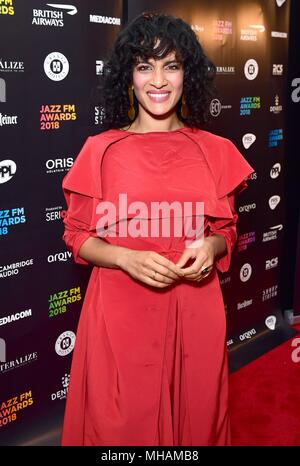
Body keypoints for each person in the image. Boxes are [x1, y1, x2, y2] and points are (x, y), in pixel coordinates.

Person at [60, 12, 254, 446]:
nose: (158, 79)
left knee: (197, 420)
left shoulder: (215, 152)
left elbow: (228, 230)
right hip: (120, 313)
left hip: (195, 310)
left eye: (171, 65)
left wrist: (213, 246)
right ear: (128, 76)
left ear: (188, 74)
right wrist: (124, 257)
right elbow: (77, 236)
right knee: (121, 429)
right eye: (145, 66)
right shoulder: (101, 151)